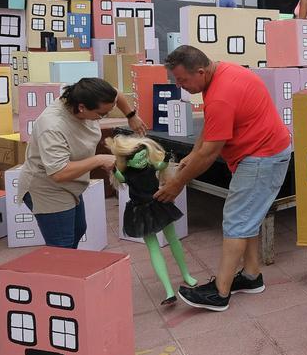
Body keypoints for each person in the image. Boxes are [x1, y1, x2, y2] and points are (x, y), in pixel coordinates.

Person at [154, 46, 292, 312]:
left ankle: (220, 292)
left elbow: (209, 154)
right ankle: (251, 276)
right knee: (247, 215)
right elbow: (211, 127)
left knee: (236, 219)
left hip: (262, 157)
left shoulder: (220, 94)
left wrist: (176, 184)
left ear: (201, 71)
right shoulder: (223, 72)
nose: (181, 87)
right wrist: (191, 154)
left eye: (182, 80)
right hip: (263, 152)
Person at [17, 78, 148, 249]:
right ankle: (60, 273)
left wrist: (131, 116)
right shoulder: (52, 126)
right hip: (47, 188)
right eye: (101, 114)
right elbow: (59, 173)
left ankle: (70, 269)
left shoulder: (93, 96)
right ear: (81, 107)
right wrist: (99, 159)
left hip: (72, 183)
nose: (104, 117)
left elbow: (116, 95)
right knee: (62, 244)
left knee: (79, 229)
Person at [104, 134, 197, 306]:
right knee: (154, 248)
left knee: (173, 240)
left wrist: (167, 157)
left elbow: (161, 165)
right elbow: (120, 178)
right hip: (140, 212)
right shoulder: (128, 174)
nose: (141, 161)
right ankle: (169, 290)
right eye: (137, 159)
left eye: (143, 156)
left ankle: (186, 274)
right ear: (128, 161)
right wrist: (114, 169)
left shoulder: (149, 167)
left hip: (158, 204)